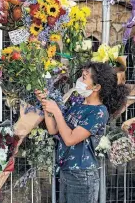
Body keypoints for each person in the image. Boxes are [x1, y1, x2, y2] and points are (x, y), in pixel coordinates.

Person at [35, 62, 129, 203]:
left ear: (97, 87)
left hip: (82, 175)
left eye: (84, 77)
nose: (79, 80)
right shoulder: (78, 105)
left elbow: (70, 139)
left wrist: (56, 111)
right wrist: (46, 105)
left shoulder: (99, 112)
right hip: (67, 171)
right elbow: (54, 129)